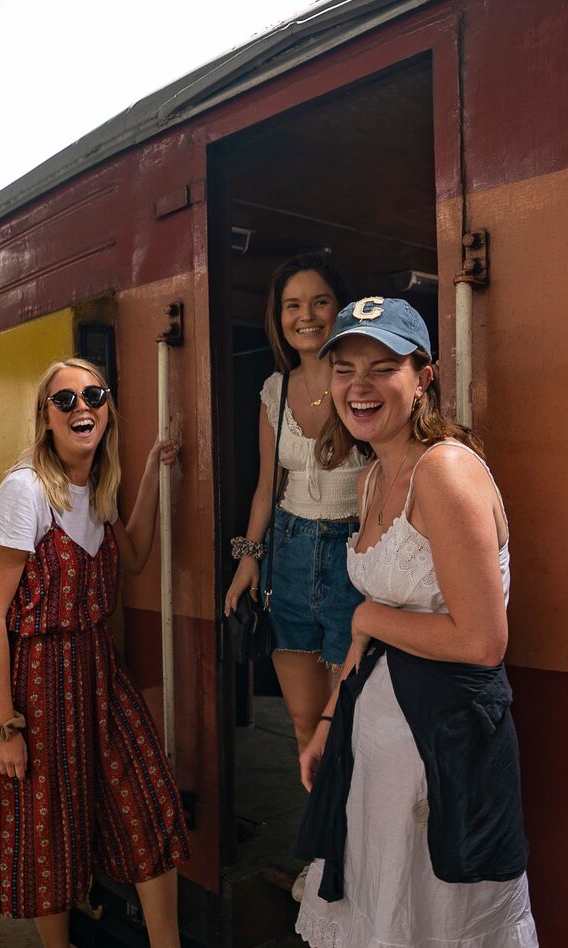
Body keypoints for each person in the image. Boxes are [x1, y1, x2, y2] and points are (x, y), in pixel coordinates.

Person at [295, 298, 549, 948]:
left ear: (424, 376)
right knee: (340, 915)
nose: (360, 385)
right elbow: (369, 638)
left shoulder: (444, 472)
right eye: (345, 369)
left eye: (383, 367)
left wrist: (370, 613)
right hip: (370, 746)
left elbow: (481, 641)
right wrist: (329, 720)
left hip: (440, 759)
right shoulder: (375, 478)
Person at [0, 358, 234, 948]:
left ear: (108, 408)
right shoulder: (25, 492)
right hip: (36, 674)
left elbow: (138, 553)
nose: (79, 405)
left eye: (93, 394)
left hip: (96, 664)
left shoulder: (102, 485)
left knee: (149, 801)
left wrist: (152, 471)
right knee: (48, 828)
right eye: (64, 399)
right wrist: (3, 725)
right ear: (45, 416)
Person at [220, 252, 366, 901]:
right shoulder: (274, 392)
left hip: (352, 559)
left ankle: (356, 858)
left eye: (319, 302)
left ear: (341, 308)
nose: (305, 316)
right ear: (279, 320)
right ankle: (323, 854)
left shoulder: (362, 380)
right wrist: (248, 559)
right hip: (288, 555)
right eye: (292, 306)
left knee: (352, 728)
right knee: (308, 730)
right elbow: (265, 484)